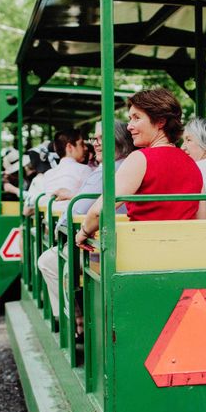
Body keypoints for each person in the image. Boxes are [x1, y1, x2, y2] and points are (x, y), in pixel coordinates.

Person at [37, 121, 135, 334]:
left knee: (47, 261)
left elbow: (77, 210)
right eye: (94, 139)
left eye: (100, 139)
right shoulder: (133, 165)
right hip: (130, 240)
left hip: (103, 247)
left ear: (116, 141)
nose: (95, 144)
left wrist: (59, 228)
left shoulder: (106, 171)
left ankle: (74, 323)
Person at [76, 87, 205, 247]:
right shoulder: (192, 164)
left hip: (143, 258)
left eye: (136, 118)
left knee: (51, 262)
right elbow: (202, 221)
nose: (129, 126)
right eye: (130, 119)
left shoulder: (140, 159)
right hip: (184, 256)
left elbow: (98, 211)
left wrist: (83, 233)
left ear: (160, 122)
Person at [41, 129, 92, 212]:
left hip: (51, 221)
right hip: (73, 221)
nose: (86, 148)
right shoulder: (84, 170)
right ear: (69, 147)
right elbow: (91, 201)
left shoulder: (48, 174)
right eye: (81, 144)